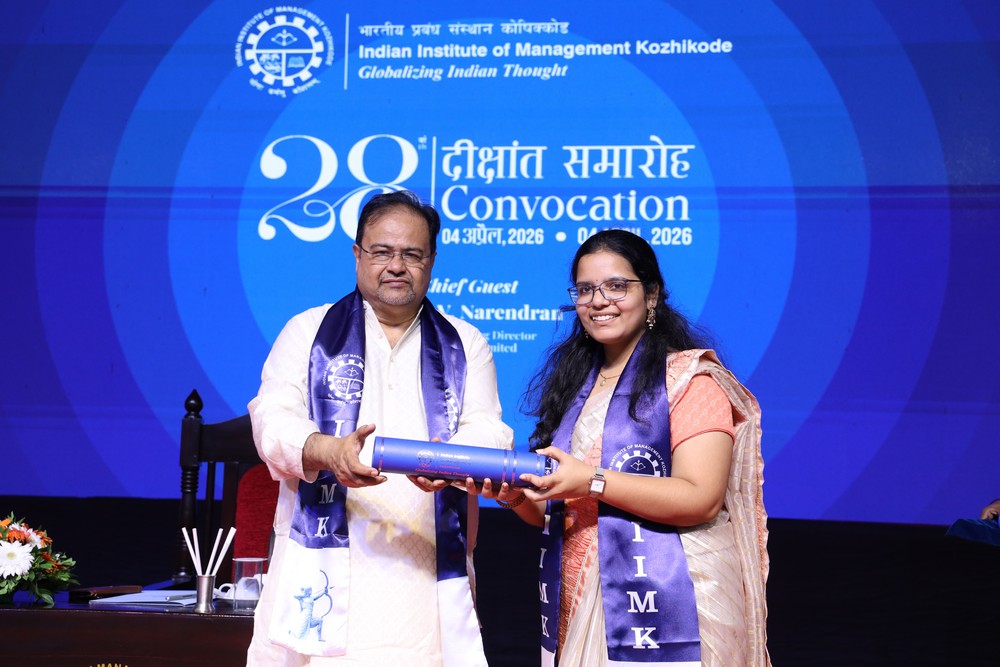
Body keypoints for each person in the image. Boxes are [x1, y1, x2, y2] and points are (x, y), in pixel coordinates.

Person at [246, 190, 514, 666]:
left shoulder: (465, 343)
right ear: (357, 254)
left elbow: (490, 431)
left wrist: (450, 463)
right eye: (382, 252)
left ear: (432, 261)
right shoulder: (308, 331)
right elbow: (272, 419)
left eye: (412, 254)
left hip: (424, 571)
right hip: (322, 567)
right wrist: (328, 451)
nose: (396, 266)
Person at [484, 230, 769, 666]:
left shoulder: (690, 381)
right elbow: (562, 510)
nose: (599, 301)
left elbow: (702, 499)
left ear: (651, 294)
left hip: (678, 600)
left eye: (616, 286)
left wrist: (591, 480)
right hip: (582, 593)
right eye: (585, 289)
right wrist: (518, 497)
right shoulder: (575, 386)